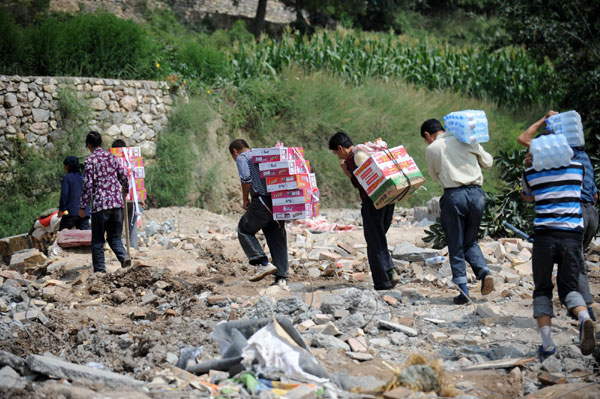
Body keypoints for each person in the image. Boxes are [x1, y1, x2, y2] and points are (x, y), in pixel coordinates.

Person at [520, 129, 595, 356]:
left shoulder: (531, 172)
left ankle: (548, 344)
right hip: (572, 237)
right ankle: (583, 318)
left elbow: (527, 196)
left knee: (542, 289)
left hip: (544, 238)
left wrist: (531, 165)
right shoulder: (577, 169)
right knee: (569, 288)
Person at [421, 118, 494, 304]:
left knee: (456, 244)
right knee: (470, 241)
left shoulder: (433, 148)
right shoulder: (467, 139)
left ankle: (464, 292)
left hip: (454, 196)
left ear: (428, 135)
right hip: (477, 195)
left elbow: (433, 174)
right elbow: (488, 162)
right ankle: (484, 271)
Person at [328, 132, 399, 291]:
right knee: (379, 238)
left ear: (340, 148)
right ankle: (389, 271)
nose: (337, 156)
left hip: (372, 203)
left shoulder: (353, 158)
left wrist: (346, 172)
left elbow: (360, 183)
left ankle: (384, 280)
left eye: (336, 152)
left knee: (374, 242)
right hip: (388, 199)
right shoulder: (366, 149)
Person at [229, 139, 289, 288]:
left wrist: (245, 199)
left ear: (235, 151)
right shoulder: (260, 155)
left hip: (261, 201)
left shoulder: (243, 157)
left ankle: (262, 263)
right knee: (277, 237)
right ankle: (281, 278)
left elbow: (246, 179)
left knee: (244, 229)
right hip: (278, 201)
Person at [79, 131, 131, 273]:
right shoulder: (112, 157)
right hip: (117, 203)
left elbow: (87, 186)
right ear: (101, 143)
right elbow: (124, 176)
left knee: (97, 240)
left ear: (89, 145)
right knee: (114, 237)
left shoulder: (90, 161)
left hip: (100, 206)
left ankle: (100, 272)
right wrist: (125, 190)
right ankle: (124, 257)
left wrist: (83, 206)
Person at [111, 139, 144, 249]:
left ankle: (119, 250)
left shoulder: (111, 161)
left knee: (117, 226)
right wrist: (140, 199)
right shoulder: (131, 160)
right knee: (132, 226)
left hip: (118, 200)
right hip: (133, 200)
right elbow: (138, 180)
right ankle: (133, 248)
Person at [58, 156, 90, 231]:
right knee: (85, 235)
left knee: (63, 234)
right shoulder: (84, 178)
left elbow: (64, 195)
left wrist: (62, 209)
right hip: (84, 212)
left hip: (71, 212)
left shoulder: (67, 178)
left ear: (67, 166)